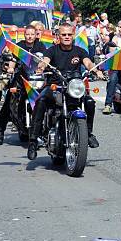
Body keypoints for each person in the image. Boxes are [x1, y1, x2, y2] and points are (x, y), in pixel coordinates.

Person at [27, 22, 104, 160]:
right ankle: (33, 140)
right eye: (64, 34)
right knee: (41, 100)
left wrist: (95, 70)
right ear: (58, 36)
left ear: (73, 35)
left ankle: (89, 133)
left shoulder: (79, 51)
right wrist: (42, 66)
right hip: (55, 86)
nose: (67, 37)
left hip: (73, 87)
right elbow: (45, 60)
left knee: (90, 102)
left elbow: (88, 62)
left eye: (69, 34)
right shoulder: (52, 50)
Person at [0, 25, 47, 145]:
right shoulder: (20, 45)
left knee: (45, 99)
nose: (30, 36)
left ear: (36, 35)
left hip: (35, 79)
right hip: (21, 78)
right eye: (28, 34)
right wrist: (11, 69)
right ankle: (0, 131)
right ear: (24, 35)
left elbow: (45, 60)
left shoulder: (40, 46)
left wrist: (43, 69)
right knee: (8, 101)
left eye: (32, 34)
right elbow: (13, 60)